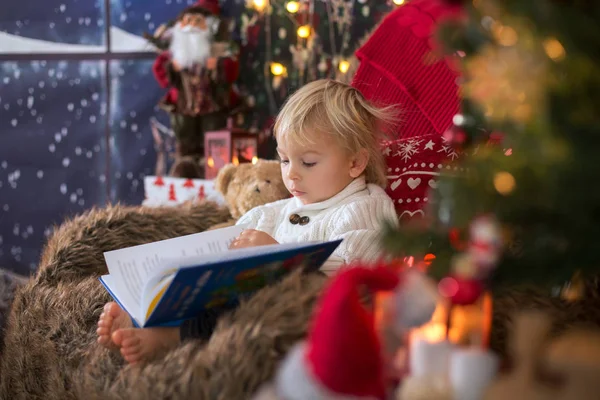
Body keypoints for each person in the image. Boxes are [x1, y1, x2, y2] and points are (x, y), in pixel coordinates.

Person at [97, 79, 399, 364]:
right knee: (206, 288)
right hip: (250, 293)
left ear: (355, 163)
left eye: (308, 162)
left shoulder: (363, 205)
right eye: (284, 160)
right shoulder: (278, 210)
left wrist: (276, 254)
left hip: (306, 314)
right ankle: (141, 317)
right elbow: (234, 236)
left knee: (241, 307)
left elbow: (353, 272)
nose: (291, 174)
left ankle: (170, 337)